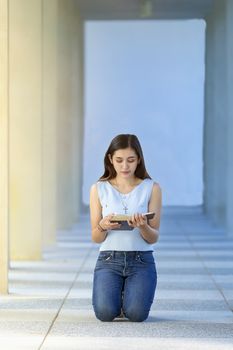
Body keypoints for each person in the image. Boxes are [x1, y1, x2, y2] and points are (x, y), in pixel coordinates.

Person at [89, 134, 162, 322]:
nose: (124, 166)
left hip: (141, 260)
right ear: (110, 159)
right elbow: (96, 238)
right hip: (108, 259)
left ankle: (128, 295)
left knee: (137, 315)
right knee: (104, 313)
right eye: (119, 160)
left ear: (138, 160)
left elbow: (153, 238)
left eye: (130, 160)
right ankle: (119, 294)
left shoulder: (151, 188)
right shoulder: (99, 188)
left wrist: (143, 226)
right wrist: (102, 226)